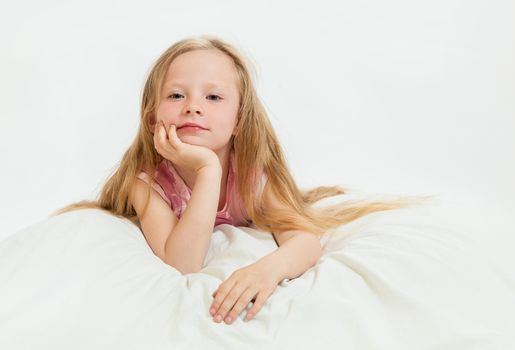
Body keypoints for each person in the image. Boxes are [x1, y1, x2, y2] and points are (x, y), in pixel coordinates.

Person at [52, 35, 435, 325]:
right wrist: (206, 171)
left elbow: (303, 240)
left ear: (238, 122)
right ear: (153, 119)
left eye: (214, 97)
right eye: (176, 95)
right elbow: (183, 263)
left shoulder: (250, 173)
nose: (193, 106)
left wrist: (266, 269)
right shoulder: (147, 182)